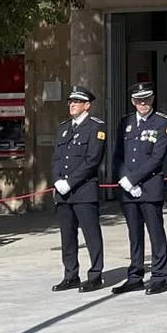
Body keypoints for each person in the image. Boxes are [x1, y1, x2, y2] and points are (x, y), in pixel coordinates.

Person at [112, 81, 167, 295]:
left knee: (156, 233)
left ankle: (159, 276)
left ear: (152, 99)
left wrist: (135, 178)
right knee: (134, 235)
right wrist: (124, 178)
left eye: (146, 99)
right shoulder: (125, 122)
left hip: (149, 187)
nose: (142, 103)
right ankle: (135, 275)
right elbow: (117, 154)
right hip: (128, 189)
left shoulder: (161, 122)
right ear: (132, 101)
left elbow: (157, 157)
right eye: (138, 100)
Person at [51, 86, 106, 293]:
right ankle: (70, 274)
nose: (72, 105)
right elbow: (56, 157)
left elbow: (92, 161)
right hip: (63, 192)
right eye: (70, 101)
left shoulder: (96, 128)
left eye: (77, 102)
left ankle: (95, 275)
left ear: (87, 105)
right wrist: (56, 180)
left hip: (83, 190)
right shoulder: (63, 128)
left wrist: (70, 182)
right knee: (67, 235)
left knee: (91, 234)